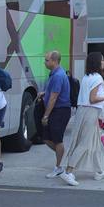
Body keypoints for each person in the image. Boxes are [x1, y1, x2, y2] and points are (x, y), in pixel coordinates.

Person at [60, 51, 104, 185]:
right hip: (91, 111)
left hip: (83, 110)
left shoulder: (86, 77)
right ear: (97, 62)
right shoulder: (98, 79)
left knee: (94, 141)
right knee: (84, 143)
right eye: (102, 60)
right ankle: (68, 172)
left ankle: (100, 170)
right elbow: (93, 99)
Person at [40, 50, 73, 178]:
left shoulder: (58, 76)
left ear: (54, 61)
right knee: (46, 138)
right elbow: (51, 92)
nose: (45, 62)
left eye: (47, 60)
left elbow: (54, 98)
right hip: (56, 110)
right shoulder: (54, 74)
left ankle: (59, 167)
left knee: (57, 139)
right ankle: (61, 156)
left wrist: (46, 115)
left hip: (60, 111)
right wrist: (43, 94)